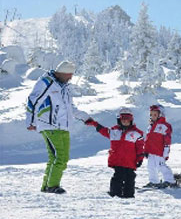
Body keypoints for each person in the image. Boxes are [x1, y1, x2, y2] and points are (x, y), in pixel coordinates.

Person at [26, 61, 90, 194]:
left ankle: (46, 186)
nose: (70, 78)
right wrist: (30, 122)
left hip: (64, 127)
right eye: (69, 75)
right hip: (50, 125)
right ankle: (52, 186)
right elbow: (33, 100)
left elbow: (70, 108)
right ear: (61, 73)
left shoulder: (64, 87)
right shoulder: (46, 82)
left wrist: (85, 117)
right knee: (60, 157)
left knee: (57, 157)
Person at [85, 108, 144, 198]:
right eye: (123, 119)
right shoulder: (114, 131)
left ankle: (129, 195)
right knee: (118, 177)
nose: (125, 121)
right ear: (119, 120)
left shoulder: (137, 133)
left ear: (131, 120)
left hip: (130, 161)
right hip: (118, 161)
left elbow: (140, 147)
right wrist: (94, 123)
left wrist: (140, 158)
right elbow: (102, 130)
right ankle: (115, 193)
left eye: (128, 119)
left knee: (130, 178)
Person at [143, 104, 177, 188]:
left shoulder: (164, 126)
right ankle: (154, 181)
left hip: (160, 151)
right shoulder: (150, 127)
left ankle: (170, 181)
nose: (152, 116)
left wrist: (166, 150)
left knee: (161, 166)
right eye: (151, 114)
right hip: (151, 151)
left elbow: (167, 139)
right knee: (150, 167)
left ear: (160, 114)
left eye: (155, 114)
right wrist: (145, 150)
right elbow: (147, 140)